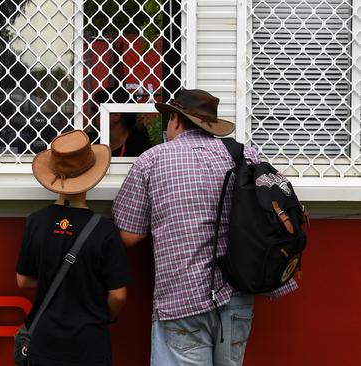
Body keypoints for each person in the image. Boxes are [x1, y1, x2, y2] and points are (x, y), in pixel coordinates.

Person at [111, 89, 297, 366]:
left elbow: (129, 236)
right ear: (210, 124)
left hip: (181, 299)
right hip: (238, 295)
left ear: (175, 119)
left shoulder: (152, 160)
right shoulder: (245, 155)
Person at [16, 130, 131, 366]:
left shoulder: (35, 222)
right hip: (89, 346)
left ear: (54, 176)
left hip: (43, 343)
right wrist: (107, 313)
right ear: (91, 176)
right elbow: (118, 294)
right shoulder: (104, 230)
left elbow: (23, 281)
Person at [86, 87, 152, 157]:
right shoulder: (89, 142)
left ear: (116, 116)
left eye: (95, 111)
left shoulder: (140, 150)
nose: (91, 116)